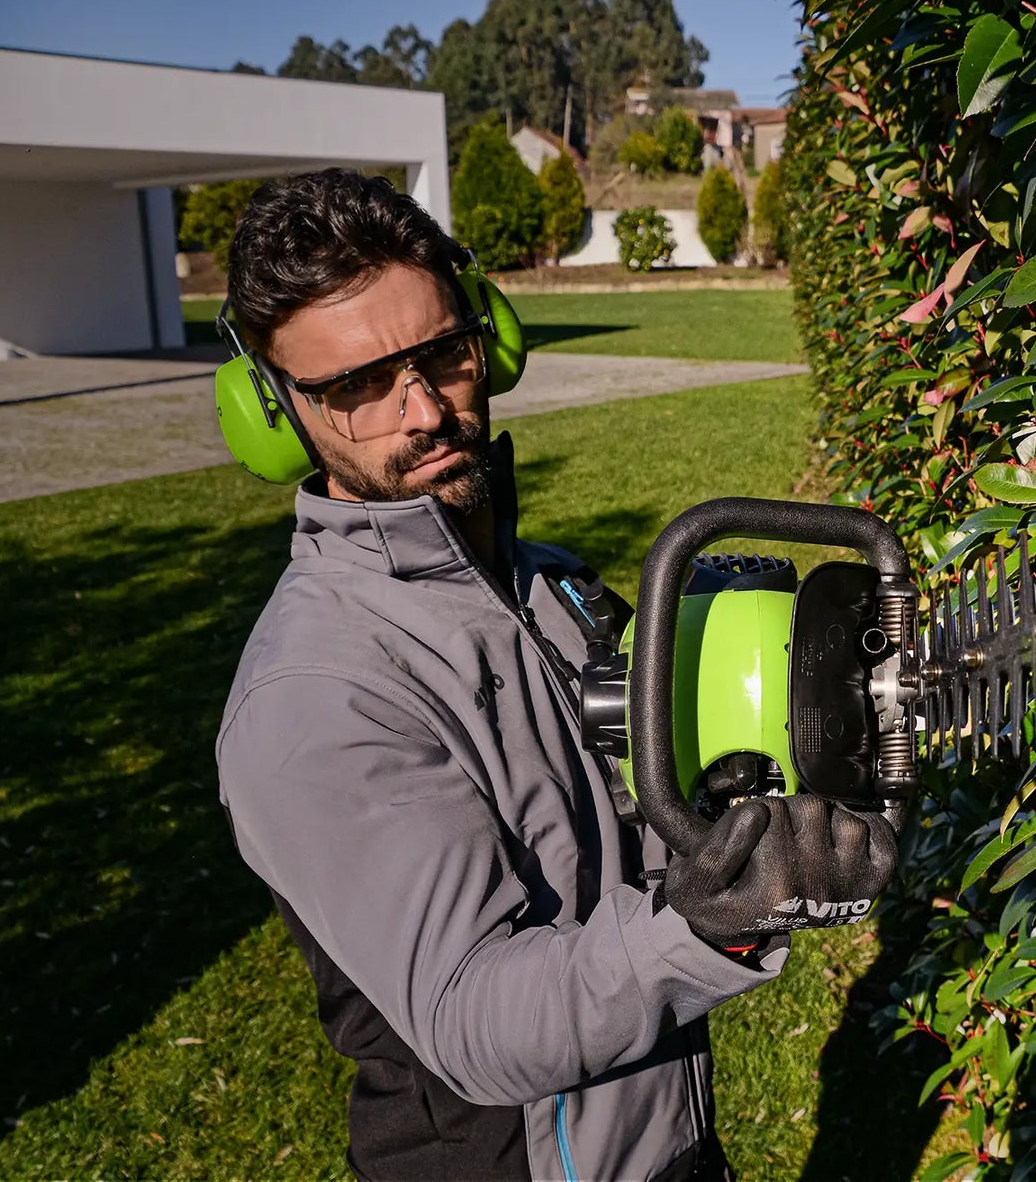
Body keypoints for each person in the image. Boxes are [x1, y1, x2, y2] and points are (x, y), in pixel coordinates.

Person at [213, 169, 896, 1181]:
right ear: (274, 415)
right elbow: (477, 1021)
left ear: (489, 333)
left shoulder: (546, 588)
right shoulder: (315, 698)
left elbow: (645, 828)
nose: (422, 412)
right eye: (355, 387)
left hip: (664, 1137)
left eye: (442, 353)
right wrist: (719, 927)